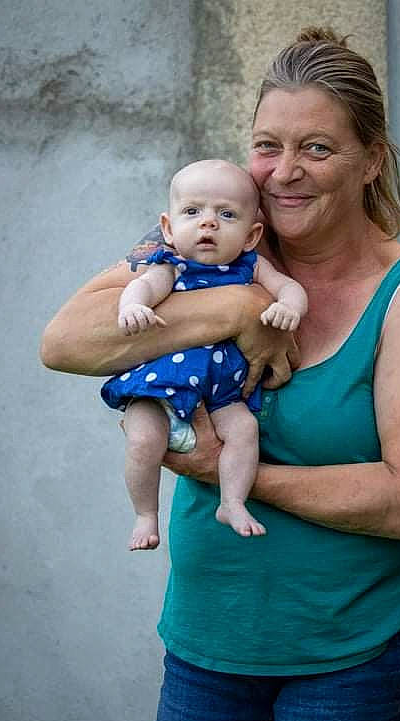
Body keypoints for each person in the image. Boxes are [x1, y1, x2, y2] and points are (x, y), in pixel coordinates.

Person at [41, 27, 400, 721]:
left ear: (371, 160)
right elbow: (66, 341)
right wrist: (239, 312)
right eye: (267, 145)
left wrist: (228, 475)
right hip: (208, 642)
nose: (283, 173)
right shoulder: (217, 240)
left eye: (317, 148)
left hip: (349, 652)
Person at [101, 159, 307, 548]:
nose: (208, 223)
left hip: (220, 394)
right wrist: (132, 308)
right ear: (168, 227)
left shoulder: (251, 266)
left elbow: (290, 289)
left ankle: (232, 502)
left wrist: (290, 308)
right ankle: (145, 514)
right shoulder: (171, 266)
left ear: (251, 235)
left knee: (245, 430)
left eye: (226, 215)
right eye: (192, 212)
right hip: (158, 387)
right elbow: (141, 289)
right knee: (144, 440)